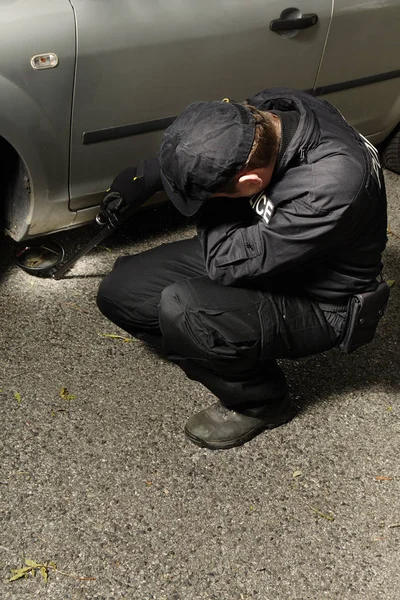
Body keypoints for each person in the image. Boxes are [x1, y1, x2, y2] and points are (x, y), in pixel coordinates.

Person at [97, 87, 388, 450]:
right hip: (264, 245)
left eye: (214, 193)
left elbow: (224, 262)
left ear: (250, 183)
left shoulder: (328, 186)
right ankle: (213, 349)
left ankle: (261, 402)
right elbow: (219, 136)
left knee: (184, 309)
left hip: (322, 300)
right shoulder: (275, 110)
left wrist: (202, 196)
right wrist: (154, 174)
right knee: (120, 291)